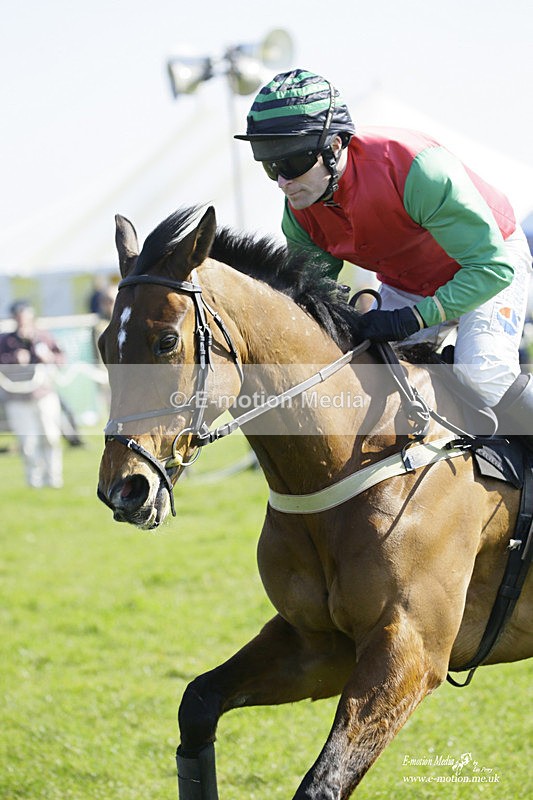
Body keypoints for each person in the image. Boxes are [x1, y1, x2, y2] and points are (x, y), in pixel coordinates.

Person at [235, 68, 533, 447]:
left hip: (487, 264)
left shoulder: (417, 170)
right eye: (270, 166)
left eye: (291, 163)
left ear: (335, 146)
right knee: (371, 373)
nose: (282, 182)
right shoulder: (300, 211)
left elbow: (493, 268)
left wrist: (414, 318)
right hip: (409, 282)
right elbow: (311, 296)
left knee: (482, 373)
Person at [0, 300, 65, 487]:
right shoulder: (5, 341)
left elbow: (61, 359)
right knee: (28, 443)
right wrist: (14, 359)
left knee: (50, 437)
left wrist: (48, 357)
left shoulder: (43, 337)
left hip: (43, 394)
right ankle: (34, 480)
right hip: (17, 398)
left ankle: (54, 478)